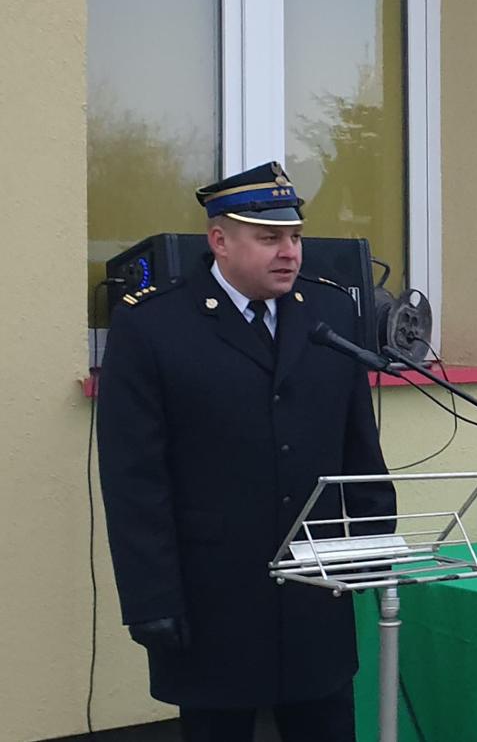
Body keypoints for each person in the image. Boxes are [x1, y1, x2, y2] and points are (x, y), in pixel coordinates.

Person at [97, 162, 396, 742]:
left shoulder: (329, 313)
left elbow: (359, 445)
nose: (289, 253)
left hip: (315, 592)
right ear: (219, 241)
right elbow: (134, 478)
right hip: (212, 596)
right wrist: (150, 597)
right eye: (269, 238)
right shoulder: (154, 324)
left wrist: (373, 543)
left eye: (296, 237)